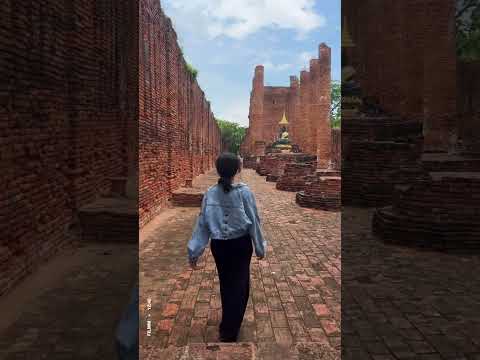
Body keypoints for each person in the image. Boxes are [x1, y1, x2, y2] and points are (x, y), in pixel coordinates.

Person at [187, 152, 267, 342]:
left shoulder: (210, 193)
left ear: (218, 169)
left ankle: (228, 324)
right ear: (237, 170)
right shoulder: (244, 192)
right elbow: (254, 221)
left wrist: (194, 252)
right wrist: (260, 247)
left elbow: (203, 225)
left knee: (227, 283)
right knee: (240, 286)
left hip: (220, 247)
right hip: (240, 245)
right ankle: (230, 328)